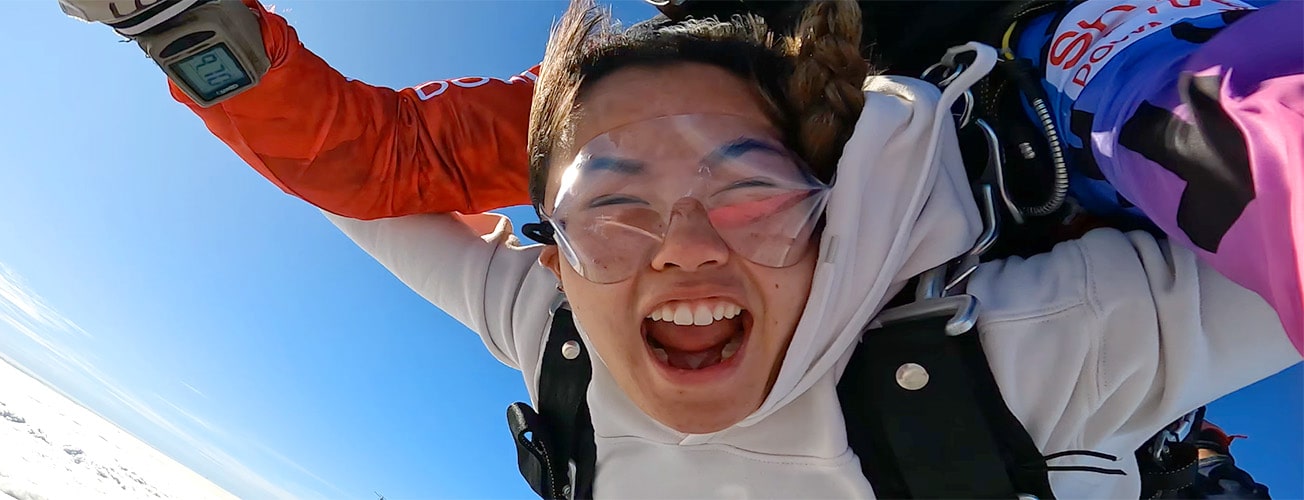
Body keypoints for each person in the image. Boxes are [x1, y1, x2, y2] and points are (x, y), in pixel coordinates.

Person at [158, 0, 1302, 496]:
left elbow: (369, 185)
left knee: (1155, 88)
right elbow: (377, 161)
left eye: (742, 194)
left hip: (1058, 76)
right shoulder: (644, 106)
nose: (680, 243)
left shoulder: (577, 327)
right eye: (609, 213)